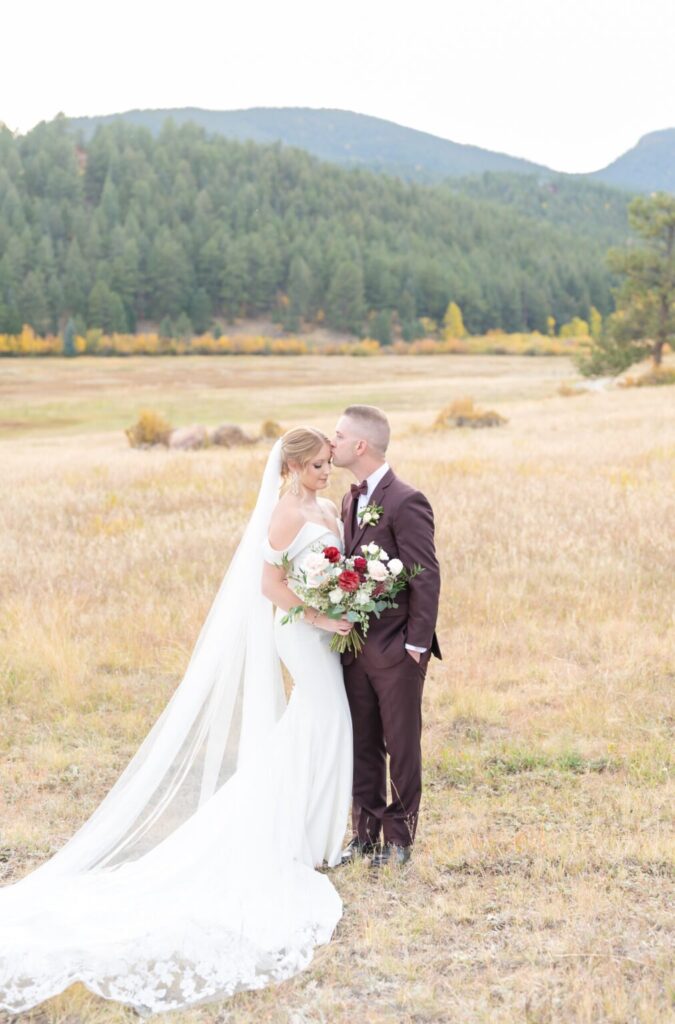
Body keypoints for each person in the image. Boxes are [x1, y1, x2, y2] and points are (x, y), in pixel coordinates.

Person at [0, 427, 353, 1017]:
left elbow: (336, 563)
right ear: (291, 467)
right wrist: (321, 614)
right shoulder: (285, 513)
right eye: (316, 465)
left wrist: (348, 600)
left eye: (328, 464)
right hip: (302, 633)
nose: (325, 472)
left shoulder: (326, 506)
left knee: (326, 724)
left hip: (330, 631)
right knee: (325, 719)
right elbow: (270, 584)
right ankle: (306, 838)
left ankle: (312, 834)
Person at [331, 405, 442, 869]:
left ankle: (400, 839)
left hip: (397, 650)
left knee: (401, 743)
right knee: (362, 743)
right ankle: (366, 832)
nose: (329, 443)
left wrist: (414, 648)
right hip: (353, 649)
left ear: (360, 445)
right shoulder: (350, 498)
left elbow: (426, 575)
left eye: (337, 436)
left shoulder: (406, 500)